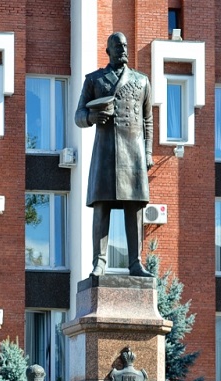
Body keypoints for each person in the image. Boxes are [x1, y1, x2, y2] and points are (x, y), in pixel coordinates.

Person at [75, 31, 154, 278]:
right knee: (102, 205)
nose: (123, 49)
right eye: (117, 46)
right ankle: (99, 262)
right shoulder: (95, 80)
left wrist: (148, 152)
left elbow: (148, 120)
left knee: (134, 206)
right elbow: (78, 115)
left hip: (134, 153)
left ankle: (135, 263)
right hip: (106, 151)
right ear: (108, 50)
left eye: (125, 45)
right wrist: (91, 117)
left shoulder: (141, 81)